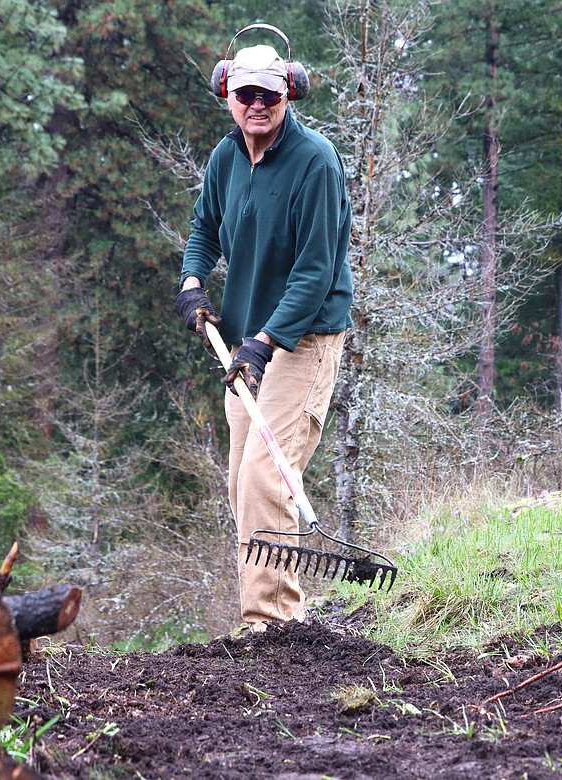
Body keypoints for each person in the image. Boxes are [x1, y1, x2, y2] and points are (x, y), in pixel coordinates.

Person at [173, 32, 354, 632]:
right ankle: (270, 615)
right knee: (241, 482)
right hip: (249, 343)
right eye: (245, 93)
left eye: (269, 96)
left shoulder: (315, 162)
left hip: (301, 342)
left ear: (289, 94)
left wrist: (265, 343)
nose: (257, 104)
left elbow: (314, 272)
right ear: (227, 91)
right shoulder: (225, 159)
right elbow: (204, 229)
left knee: (266, 474)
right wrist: (193, 282)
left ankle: (272, 621)